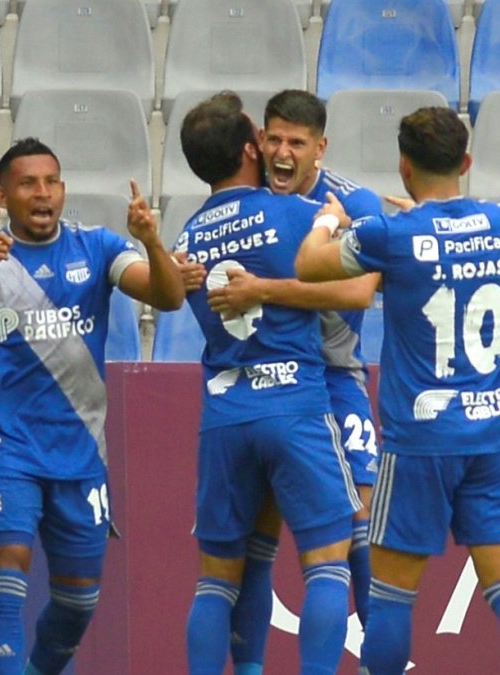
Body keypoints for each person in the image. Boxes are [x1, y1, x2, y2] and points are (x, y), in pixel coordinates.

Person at [295, 106, 500, 674]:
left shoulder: (392, 235)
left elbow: (308, 265)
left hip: (420, 439)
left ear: (404, 167)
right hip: (492, 434)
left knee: (391, 597)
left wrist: (328, 221)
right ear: (466, 162)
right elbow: (479, 258)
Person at [0, 138, 183, 675]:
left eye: (52, 182)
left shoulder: (98, 247)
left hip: (80, 455)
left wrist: (152, 242)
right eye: (28, 184)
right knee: (7, 569)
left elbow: (168, 297)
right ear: (3, 196)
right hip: (8, 447)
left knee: (78, 603)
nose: (43, 193)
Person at [172, 91, 360, 675]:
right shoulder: (295, 214)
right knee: (327, 564)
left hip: (225, 413)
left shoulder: (187, 241)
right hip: (294, 403)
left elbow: (170, 291)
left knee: (217, 579)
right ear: (252, 148)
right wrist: (330, 220)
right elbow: (359, 290)